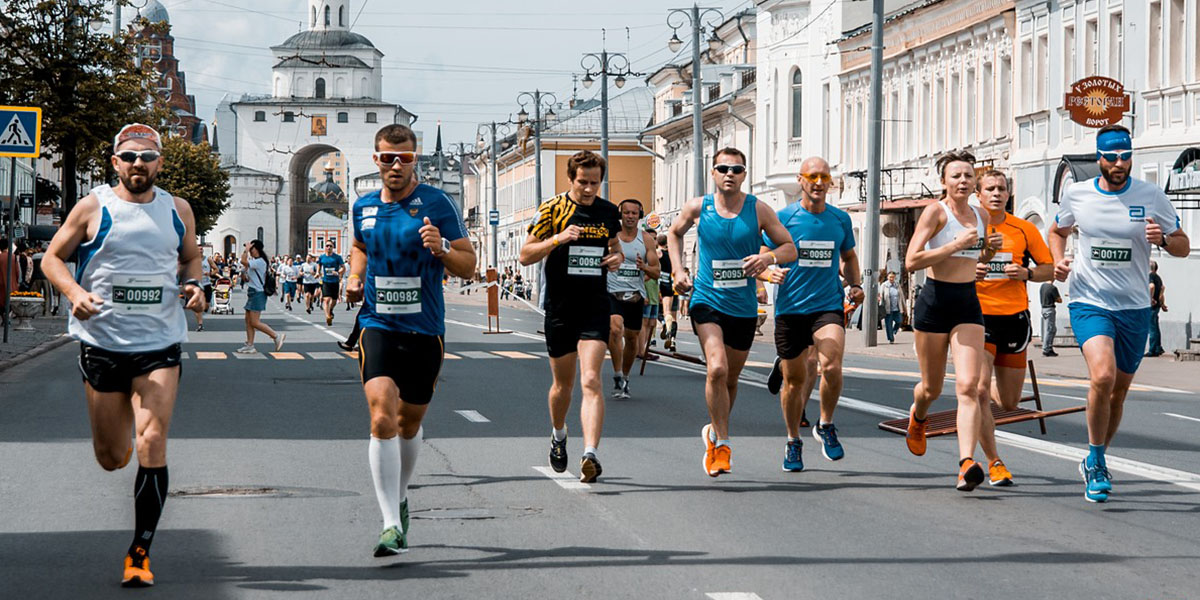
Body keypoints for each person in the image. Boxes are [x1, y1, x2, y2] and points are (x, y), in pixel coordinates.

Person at [40, 123, 205, 587]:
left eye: (147, 157)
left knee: (153, 441)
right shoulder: (93, 206)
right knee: (112, 456)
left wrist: (195, 284)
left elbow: (191, 257)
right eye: (129, 156)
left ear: (160, 163)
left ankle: (139, 554)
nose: (138, 164)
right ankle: (120, 438)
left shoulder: (178, 209)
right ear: (115, 162)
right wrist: (74, 292)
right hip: (103, 344)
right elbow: (52, 258)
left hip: (159, 345)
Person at [345, 123, 475, 556]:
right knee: (382, 415)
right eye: (388, 158)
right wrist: (355, 276)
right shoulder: (363, 206)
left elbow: (469, 266)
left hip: (425, 329)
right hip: (377, 324)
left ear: (415, 159)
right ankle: (389, 523)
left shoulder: (437, 203)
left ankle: (400, 496)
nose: (396, 166)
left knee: (409, 423)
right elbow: (360, 246)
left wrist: (442, 248)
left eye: (404, 158)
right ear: (376, 160)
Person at [1049, 125, 1190, 502]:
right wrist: (1058, 260)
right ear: (1099, 158)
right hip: (1089, 300)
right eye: (1112, 157)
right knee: (1103, 375)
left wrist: (1163, 239)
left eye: (1125, 156)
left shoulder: (1151, 195)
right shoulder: (1078, 194)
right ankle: (1096, 463)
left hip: (1134, 307)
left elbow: (1183, 245)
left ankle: (1095, 457)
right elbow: (1057, 231)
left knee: (1118, 393)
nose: (1119, 163)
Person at [668, 147, 797, 477]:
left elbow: (789, 248)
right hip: (706, 300)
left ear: (744, 175)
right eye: (723, 168)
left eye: (737, 169)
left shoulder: (758, 209)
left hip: (742, 306)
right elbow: (674, 233)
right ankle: (723, 444)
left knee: (731, 379)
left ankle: (714, 431)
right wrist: (678, 270)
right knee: (717, 368)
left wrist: (766, 258)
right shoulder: (699, 207)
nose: (730, 174)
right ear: (713, 173)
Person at [519, 150, 623, 483]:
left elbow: (615, 248)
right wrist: (557, 238)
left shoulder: (608, 212)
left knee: (591, 379)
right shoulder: (553, 209)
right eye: (583, 182)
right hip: (561, 307)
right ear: (570, 179)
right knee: (563, 386)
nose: (589, 189)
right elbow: (525, 255)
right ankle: (559, 433)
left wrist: (616, 258)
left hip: (595, 305)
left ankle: (590, 453)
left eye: (595, 182)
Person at [903, 151, 1002, 492]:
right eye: (956, 176)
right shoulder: (935, 212)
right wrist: (956, 243)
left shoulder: (981, 214)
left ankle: (966, 464)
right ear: (944, 181)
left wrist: (989, 250)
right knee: (931, 388)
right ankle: (918, 416)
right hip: (934, 302)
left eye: (968, 176)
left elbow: (977, 256)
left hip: (967, 304)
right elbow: (912, 260)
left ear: (975, 182)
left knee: (969, 386)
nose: (963, 181)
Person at [758, 157, 861, 471]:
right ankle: (793, 440)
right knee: (794, 382)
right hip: (791, 308)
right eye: (812, 176)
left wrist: (856, 284)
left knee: (831, 364)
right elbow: (762, 256)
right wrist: (768, 273)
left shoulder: (840, 219)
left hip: (827, 305)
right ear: (800, 180)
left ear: (830, 182)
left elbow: (849, 256)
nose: (818, 183)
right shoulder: (784, 218)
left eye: (824, 177)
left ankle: (826, 423)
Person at [972, 169, 1055, 487]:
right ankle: (994, 462)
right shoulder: (969, 227)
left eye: (1001, 188)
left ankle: (979, 397)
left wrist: (1026, 274)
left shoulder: (1023, 229)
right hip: (978, 316)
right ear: (978, 194)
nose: (996, 193)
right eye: (990, 188)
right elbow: (948, 266)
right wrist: (973, 269)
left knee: (1008, 402)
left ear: (1009, 194)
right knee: (980, 390)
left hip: (1014, 318)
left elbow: (1048, 269)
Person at [607, 199, 660, 399]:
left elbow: (656, 272)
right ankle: (617, 374)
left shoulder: (646, 240)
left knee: (631, 339)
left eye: (634, 213)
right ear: (620, 215)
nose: (630, 216)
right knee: (615, 328)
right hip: (612, 292)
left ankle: (625, 377)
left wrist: (644, 267)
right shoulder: (612, 237)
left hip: (635, 296)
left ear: (640, 216)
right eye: (626, 213)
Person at [236, 239, 285, 353]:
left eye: (251, 249)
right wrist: (243, 274)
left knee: (254, 322)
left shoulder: (260, 261)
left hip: (258, 293)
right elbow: (247, 278)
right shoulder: (255, 261)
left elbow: (243, 261)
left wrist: (246, 250)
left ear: (256, 249)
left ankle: (276, 336)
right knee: (248, 321)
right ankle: (250, 345)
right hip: (252, 292)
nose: (249, 251)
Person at [656, 234, 680, 352]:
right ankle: (672, 339)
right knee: (670, 313)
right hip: (670, 285)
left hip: (659, 283)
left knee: (656, 311)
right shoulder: (671, 255)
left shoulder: (658, 253)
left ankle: (664, 324)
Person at [318, 242, 344, 326]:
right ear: (325, 247)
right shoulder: (322, 257)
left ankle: (331, 309)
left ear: (333, 247)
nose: (328, 247)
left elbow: (343, 267)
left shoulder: (337, 257)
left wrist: (338, 272)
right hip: (326, 281)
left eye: (330, 246)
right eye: (327, 246)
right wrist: (318, 272)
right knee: (326, 299)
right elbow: (319, 264)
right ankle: (328, 317)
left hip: (335, 281)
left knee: (334, 300)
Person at [1147, 261, 1166, 357]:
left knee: (1152, 329)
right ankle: (1158, 348)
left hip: (1152, 306)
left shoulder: (1150, 276)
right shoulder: (1158, 278)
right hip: (1157, 305)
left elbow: (1151, 286)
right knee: (1156, 327)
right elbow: (1162, 289)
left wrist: (1150, 299)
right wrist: (1162, 304)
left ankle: (1152, 350)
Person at [1039, 281, 1062, 357]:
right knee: (1050, 330)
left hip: (1044, 309)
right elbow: (1059, 300)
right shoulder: (1053, 288)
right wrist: (1056, 299)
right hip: (1050, 309)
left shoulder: (1043, 286)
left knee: (1051, 329)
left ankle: (1048, 347)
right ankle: (1047, 349)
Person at [879, 272, 903, 343]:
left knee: (899, 321)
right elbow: (881, 295)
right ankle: (891, 339)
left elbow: (901, 296)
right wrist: (881, 305)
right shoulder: (884, 285)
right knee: (888, 324)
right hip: (888, 308)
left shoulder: (897, 285)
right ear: (887, 277)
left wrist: (903, 307)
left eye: (893, 277)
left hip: (897, 308)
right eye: (890, 277)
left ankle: (894, 331)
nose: (891, 278)